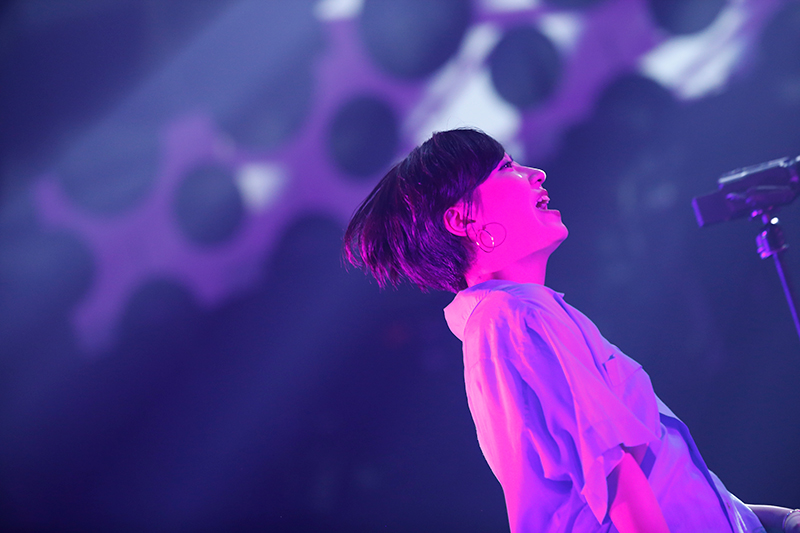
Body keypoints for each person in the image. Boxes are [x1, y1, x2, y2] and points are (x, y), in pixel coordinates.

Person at [343, 128, 799, 533]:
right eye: (506, 167)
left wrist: (777, 520)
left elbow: (667, 484)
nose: (535, 174)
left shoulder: (516, 318)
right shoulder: (514, 319)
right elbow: (615, 480)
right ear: (463, 220)